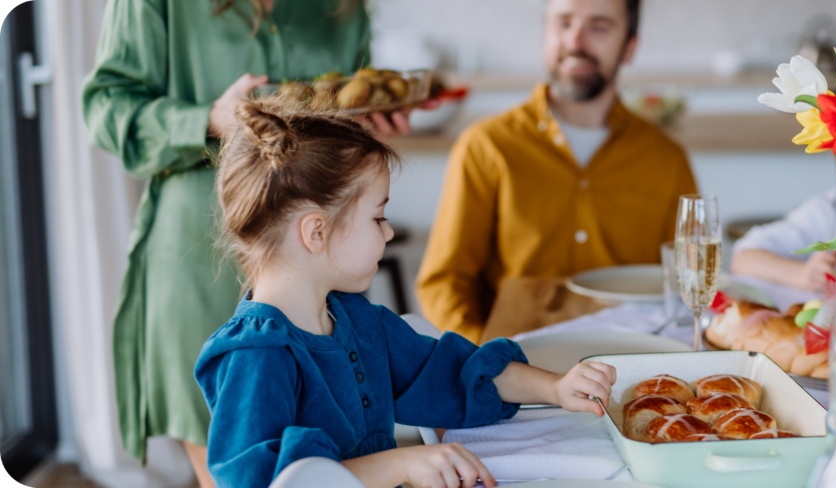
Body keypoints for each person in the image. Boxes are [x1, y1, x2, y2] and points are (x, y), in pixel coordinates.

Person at [197, 100, 615, 487]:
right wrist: (402, 463)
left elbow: (449, 371)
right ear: (316, 231)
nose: (389, 231)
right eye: (378, 217)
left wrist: (556, 388)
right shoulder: (254, 356)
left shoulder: (357, 320)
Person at [81, 0, 413, 484]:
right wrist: (209, 119)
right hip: (198, 267)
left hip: (318, 272)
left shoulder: (343, 8)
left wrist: (361, 128)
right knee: (239, 472)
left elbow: (337, 119)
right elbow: (104, 108)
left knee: (331, 458)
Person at [417, 0, 696, 342]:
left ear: (629, 47)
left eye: (598, 27)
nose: (575, 42)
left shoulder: (667, 158)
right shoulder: (486, 146)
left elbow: (688, 285)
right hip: (515, 364)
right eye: (563, 23)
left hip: (631, 368)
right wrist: (483, 359)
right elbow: (444, 280)